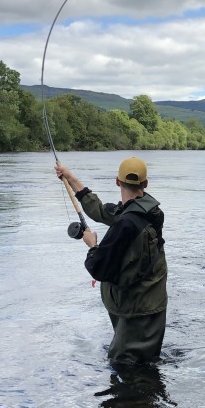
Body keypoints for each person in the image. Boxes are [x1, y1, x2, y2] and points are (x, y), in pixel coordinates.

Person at [54, 156, 168, 366]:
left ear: (117, 182)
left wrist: (92, 244)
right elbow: (101, 211)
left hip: (136, 310)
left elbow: (99, 266)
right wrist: (71, 179)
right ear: (145, 184)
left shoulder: (126, 224)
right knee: (146, 364)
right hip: (151, 303)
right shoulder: (149, 210)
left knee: (125, 366)